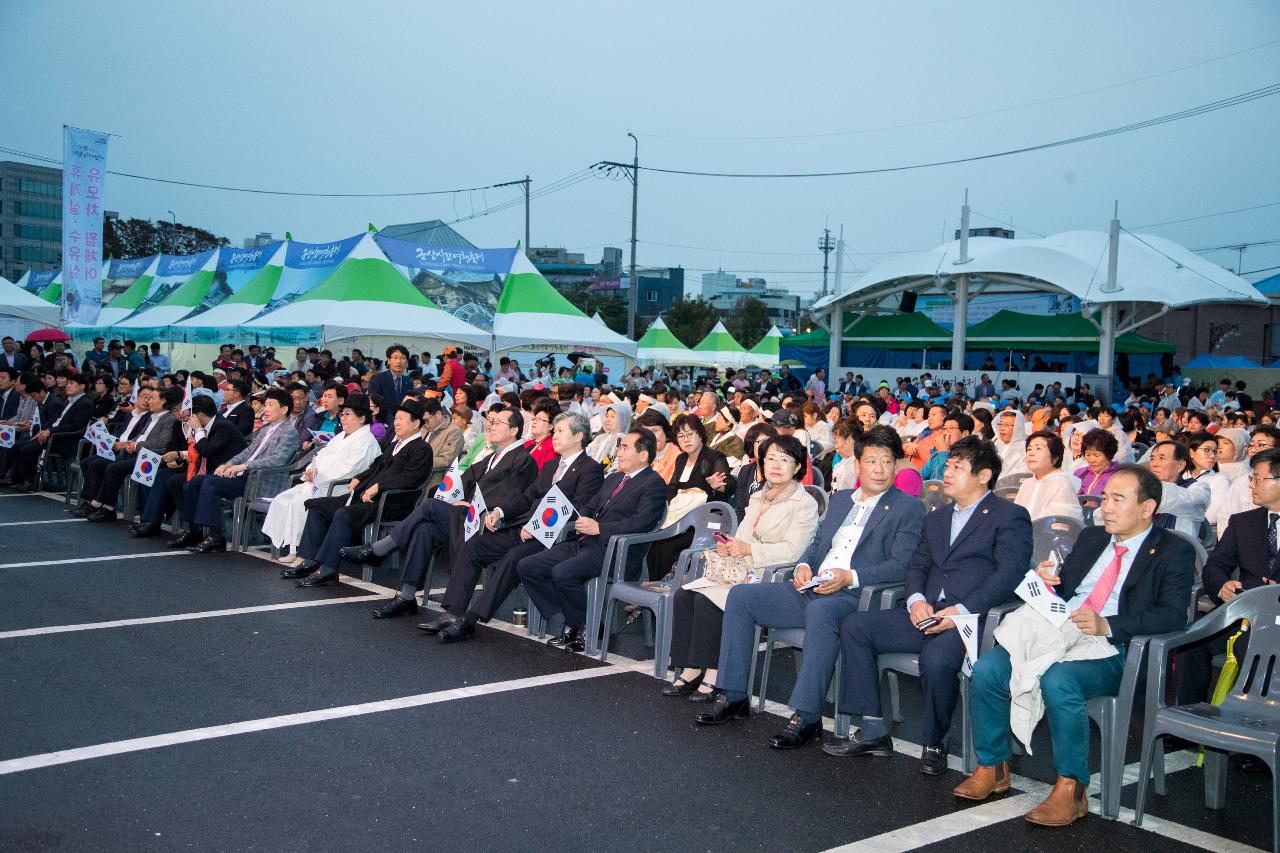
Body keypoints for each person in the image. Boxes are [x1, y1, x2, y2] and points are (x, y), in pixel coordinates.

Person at [957, 465, 1195, 826]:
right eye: (1104, 498)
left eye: (1117, 499)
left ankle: (1072, 786)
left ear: (1147, 508)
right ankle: (993, 765)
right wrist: (1048, 581)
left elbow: (1173, 616)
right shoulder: (1093, 538)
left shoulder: (1172, 550)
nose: (1105, 508)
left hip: (1115, 647)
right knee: (989, 669)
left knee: (1059, 680)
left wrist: (1109, 624)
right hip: (1062, 630)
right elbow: (1068, 588)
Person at [693, 427, 925, 746]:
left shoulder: (908, 508)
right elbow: (817, 544)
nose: (879, 469)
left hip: (856, 596)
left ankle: (807, 715)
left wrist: (850, 577)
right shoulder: (842, 499)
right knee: (741, 596)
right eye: (871, 461)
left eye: (887, 462)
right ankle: (733, 693)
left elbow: (901, 564)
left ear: (896, 465)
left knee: (821, 611)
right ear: (857, 465)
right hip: (813, 586)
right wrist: (803, 566)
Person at [824, 437, 1033, 774]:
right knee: (856, 626)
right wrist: (917, 600)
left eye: (958, 468)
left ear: (984, 475)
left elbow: (1008, 574)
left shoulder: (1009, 516)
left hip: (971, 619)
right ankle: (874, 728)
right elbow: (918, 565)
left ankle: (934, 740)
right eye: (948, 466)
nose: (947, 474)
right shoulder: (937, 517)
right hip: (927, 612)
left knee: (937, 658)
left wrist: (961, 611)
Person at [423, 413, 606, 642]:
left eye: (560, 431)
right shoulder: (550, 466)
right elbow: (528, 497)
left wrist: (537, 526)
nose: (554, 436)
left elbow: (579, 507)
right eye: (555, 431)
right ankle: (453, 612)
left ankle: (470, 620)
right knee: (475, 546)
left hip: (555, 537)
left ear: (578, 436)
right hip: (525, 529)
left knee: (513, 558)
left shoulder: (590, 469)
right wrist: (500, 511)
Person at [340, 405, 537, 612]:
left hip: (484, 520)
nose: (491, 426)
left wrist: (472, 503)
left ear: (514, 430)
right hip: (464, 516)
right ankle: (407, 597)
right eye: (491, 422)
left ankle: (379, 549)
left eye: (498, 423)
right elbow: (463, 480)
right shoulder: (493, 457)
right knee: (424, 529)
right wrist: (453, 496)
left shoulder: (524, 460)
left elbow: (509, 494)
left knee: (431, 506)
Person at [667, 435, 819, 703]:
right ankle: (691, 668)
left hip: (771, 576)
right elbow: (745, 536)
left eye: (785, 460)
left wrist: (749, 550)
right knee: (685, 596)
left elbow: (794, 552)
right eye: (771, 458)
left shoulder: (804, 503)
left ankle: (714, 673)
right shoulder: (759, 496)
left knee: (707, 602)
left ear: (797, 468)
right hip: (741, 570)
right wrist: (731, 546)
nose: (776, 465)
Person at [516, 428, 668, 652]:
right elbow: (592, 503)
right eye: (620, 447)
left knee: (563, 573)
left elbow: (641, 523)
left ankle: (576, 625)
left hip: (615, 549)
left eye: (624, 447)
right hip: (585, 541)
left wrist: (600, 528)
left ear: (643, 455)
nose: (618, 452)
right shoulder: (615, 477)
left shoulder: (653, 484)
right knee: (528, 566)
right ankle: (576, 622)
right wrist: (583, 517)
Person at [282, 400, 433, 582]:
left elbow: (411, 478)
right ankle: (310, 559)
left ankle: (328, 568)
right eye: (396, 418)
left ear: (416, 423)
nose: (397, 423)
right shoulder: (394, 445)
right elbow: (375, 465)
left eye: (402, 419)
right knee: (317, 505)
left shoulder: (422, 449)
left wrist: (380, 486)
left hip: (391, 502)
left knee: (343, 514)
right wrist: (359, 478)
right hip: (366, 497)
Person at [1176, 447, 1280, 706]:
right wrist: (1222, 586)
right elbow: (1215, 566)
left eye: (1258, 478)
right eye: (1251, 477)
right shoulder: (1243, 522)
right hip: (1245, 616)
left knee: (1253, 648)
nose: (1251, 484)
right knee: (1192, 641)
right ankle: (1188, 728)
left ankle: (1251, 730)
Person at [167, 388, 299, 553]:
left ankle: (216, 536)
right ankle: (194, 530)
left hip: (259, 480)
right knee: (196, 481)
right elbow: (246, 452)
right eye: (266, 405)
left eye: (271, 405)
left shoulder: (289, 432)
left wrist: (244, 466)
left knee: (210, 483)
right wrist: (228, 464)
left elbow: (278, 459)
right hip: (244, 475)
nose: (266, 408)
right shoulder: (265, 429)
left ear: (284, 409)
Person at [262, 396, 381, 561]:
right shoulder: (341, 436)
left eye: (348, 414)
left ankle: (301, 552)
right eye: (343, 414)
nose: (343, 418)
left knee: (300, 503)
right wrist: (311, 471)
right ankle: (292, 547)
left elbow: (348, 470)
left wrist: (319, 476)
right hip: (319, 482)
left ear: (362, 418)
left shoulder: (366, 441)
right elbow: (319, 456)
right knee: (283, 499)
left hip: (338, 488)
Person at [130, 393, 248, 538]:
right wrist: (179, 455)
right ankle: (184, 525)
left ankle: (197, 529)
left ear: (198, 414)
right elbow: (195, 451)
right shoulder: (204, 425)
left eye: (191, 413)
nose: (188, 416)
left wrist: (198, 430)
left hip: (221, 471)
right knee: (169, 479)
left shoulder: (222, 426)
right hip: (199, 468)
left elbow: (206, 450)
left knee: (188, 484)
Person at [75, 387, 183, 522]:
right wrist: (131, 443)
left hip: (150, 457)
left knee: (114, 468)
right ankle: (94, 501)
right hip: (135, 452)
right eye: (146, 398)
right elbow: (142, 435)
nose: (149, 401)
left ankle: (106, 507)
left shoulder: (169, 419)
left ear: (163, 401)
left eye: (152, 398)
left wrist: (136, 446)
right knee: (98, 463)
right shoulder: (153, 416)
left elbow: (162, 443)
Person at [10, 372, 92, 491]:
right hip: (54, 435)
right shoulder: (69, 401)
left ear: (82, 386)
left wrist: (49, 431)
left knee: (26, 449)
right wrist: (46, 430)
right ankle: (24, 479)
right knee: (16, 446)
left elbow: (75, 426)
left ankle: (32, 480)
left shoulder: (84, 403)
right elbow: (57, 420)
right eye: (68, 383)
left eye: (72, 383)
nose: (68, 386)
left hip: (65, 440)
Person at [1147, 440, 1211, 539]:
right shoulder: (1145, 487)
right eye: (1152, 458)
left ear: (1180, 465)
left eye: (1162, 458)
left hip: (1177, 549)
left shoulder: (1197, 489)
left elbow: (1190, 501)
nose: (1154, 464)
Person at [1016, 430, 1084, 522]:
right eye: (1029, 449)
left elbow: (1058, 526)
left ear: (1055, 458)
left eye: (1038, 448)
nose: (1031, 453)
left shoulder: (1061, 484)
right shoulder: (1027, 483)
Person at [367, 345, 412, 423]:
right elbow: (374, 404)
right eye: (395, 358)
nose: (399, 361)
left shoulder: (408, 381)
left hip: (403, 424)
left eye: (402, 358)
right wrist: (393, 422)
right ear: (388, 360)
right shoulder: (377, 379)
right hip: (382, 423)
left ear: (407, 362)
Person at [1074, 428, 1119, 496]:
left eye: (1097, 455)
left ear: (1109, 455)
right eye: (1088, 454)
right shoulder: (1080, 473)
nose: (1091, 460)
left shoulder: (1118, 476)